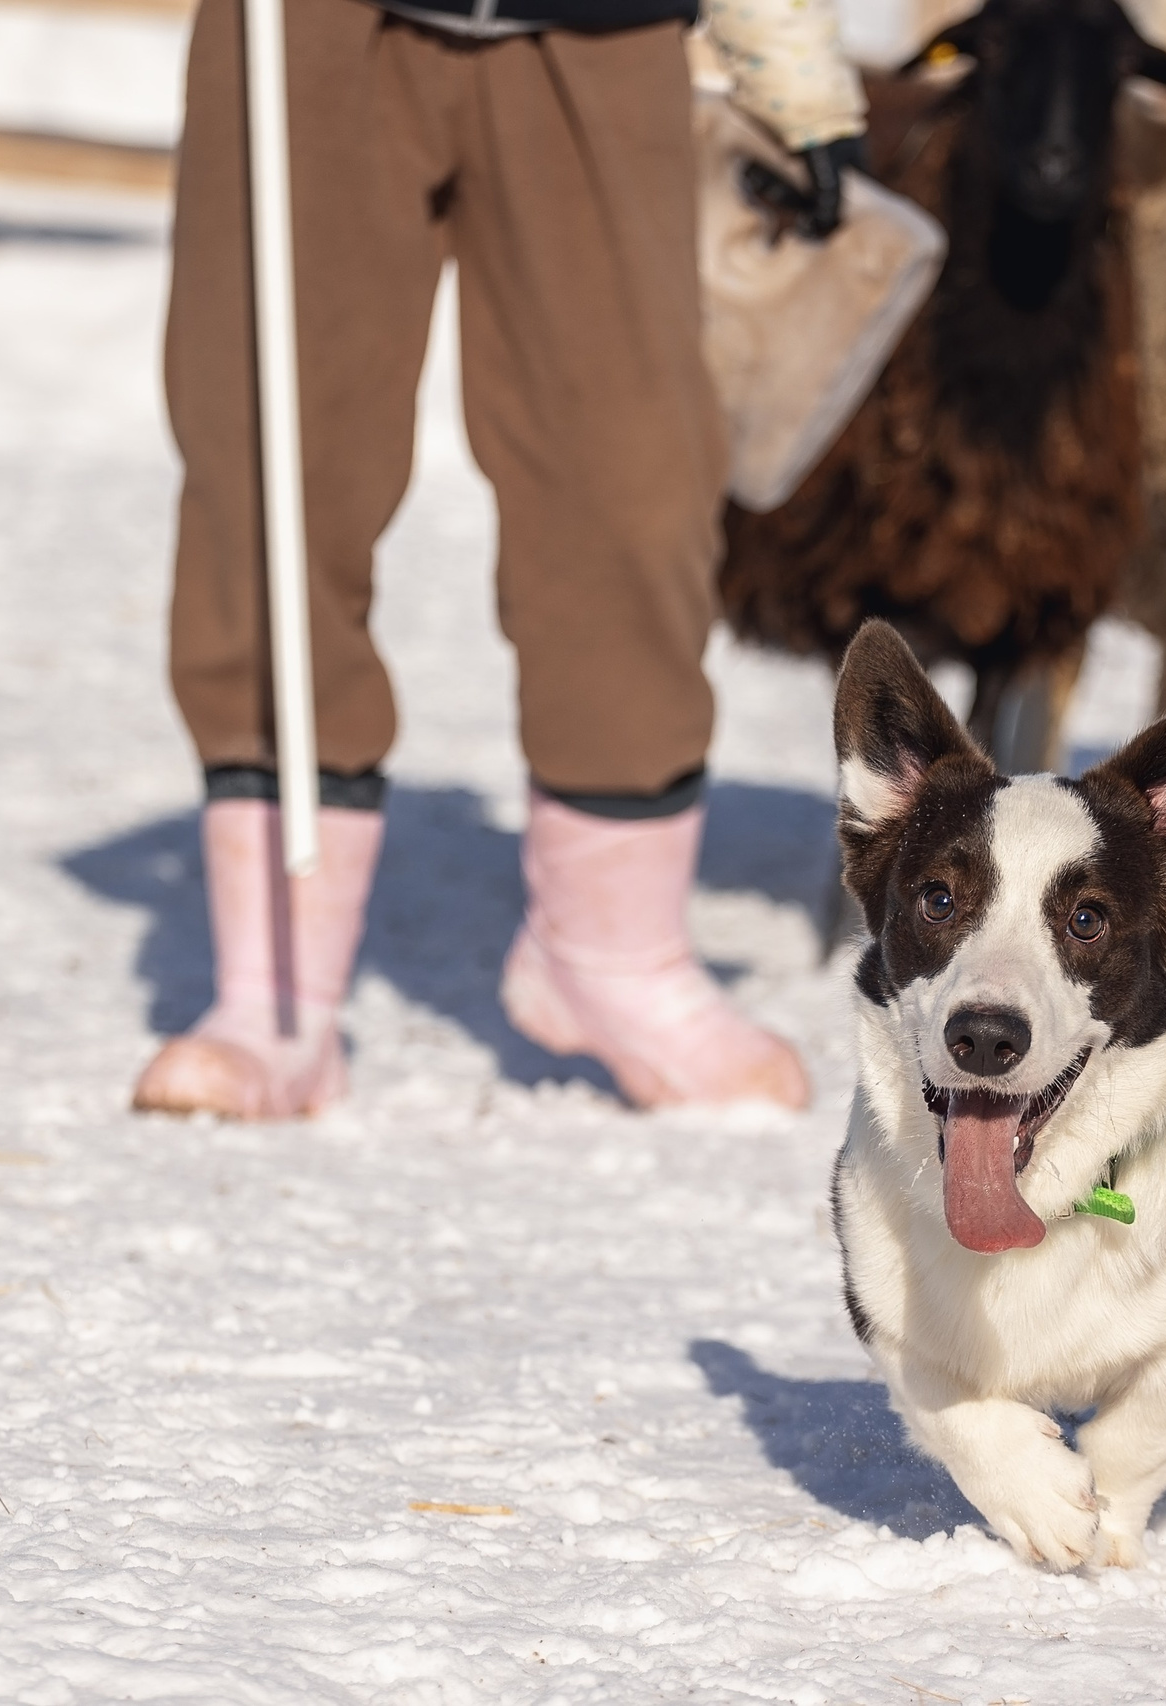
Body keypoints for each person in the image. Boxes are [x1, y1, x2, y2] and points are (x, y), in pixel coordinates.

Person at [130, 0, 868, 1119]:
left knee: (631, 480)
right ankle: (272, 988)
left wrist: (792, 58)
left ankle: (612, 956)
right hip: (315, 34)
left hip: (595, 36)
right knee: (272, 461)